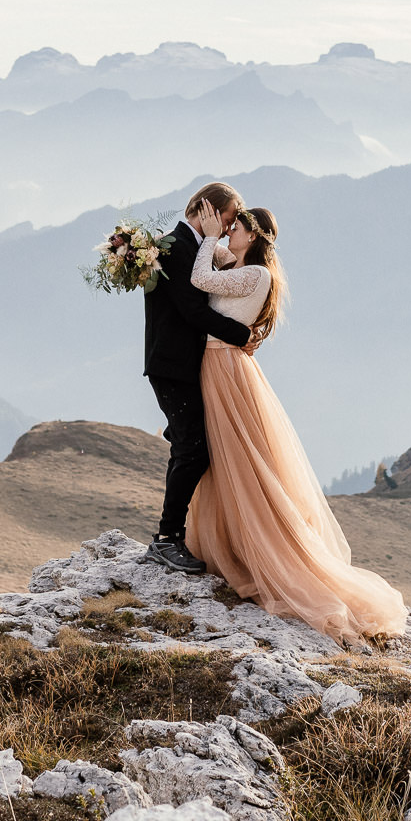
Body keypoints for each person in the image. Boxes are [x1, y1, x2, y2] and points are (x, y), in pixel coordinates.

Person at [185, 198, 408, 644]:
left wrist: (209, 236)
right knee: (223, 457)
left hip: (224, 366)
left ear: (252, 235)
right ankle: (230, 545)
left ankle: (264, 553)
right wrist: (208, 234)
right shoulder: (240, 263)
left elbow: (200, 279)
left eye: (237, 226)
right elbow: (212, 267)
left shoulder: (257, 273)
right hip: (218, 363)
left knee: (240, 458)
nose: (230, 231)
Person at [142, 182, 251, 574]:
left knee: (192, 445)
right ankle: (167, 539)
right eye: (227, 217)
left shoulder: (190, 245)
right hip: (171, 365)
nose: (228, 226)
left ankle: (173, 536)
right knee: (193, 449)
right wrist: (241, 336)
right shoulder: (175, 247)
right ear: (207, 211)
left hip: (181, 365)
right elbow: (191, 310)